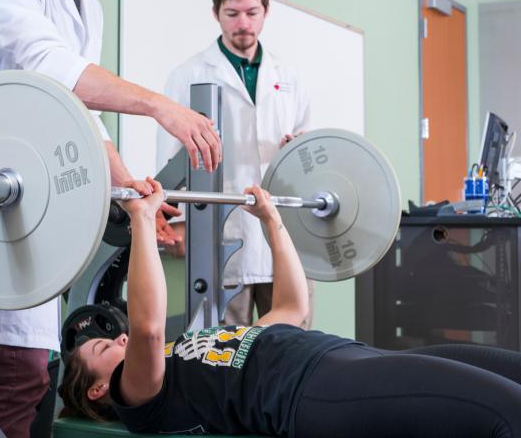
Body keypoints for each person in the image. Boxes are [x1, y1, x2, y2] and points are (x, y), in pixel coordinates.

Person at [0, 0, 221, 437]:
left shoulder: (86, 7)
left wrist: (126, 189)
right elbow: (58, 73)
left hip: (25, 209)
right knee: (19, 373)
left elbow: (79, 116)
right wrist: (160, 107)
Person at [59, 182, 521, 437]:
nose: (116, 337)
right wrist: (142, 219)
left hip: (344, 357)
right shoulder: (140, 396)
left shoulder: (191, 352)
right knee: (506, 412)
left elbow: (292, 308)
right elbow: (146, 328)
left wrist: (273, 222)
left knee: (510, 371)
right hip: (313, 391)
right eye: (103, 346)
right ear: (99, 390)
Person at [157, 0, 313, 327]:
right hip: (221, 236)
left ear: (266, 11)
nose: (243, 24)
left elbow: (308, 145)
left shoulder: (288, 76)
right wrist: (177, 222)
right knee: (227, 355)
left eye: (252, 13)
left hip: (284, 233)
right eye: (232, 14)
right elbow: (170, 156)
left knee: (293, 349)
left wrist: (297, 146)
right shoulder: (189, 75)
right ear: (216, 14)